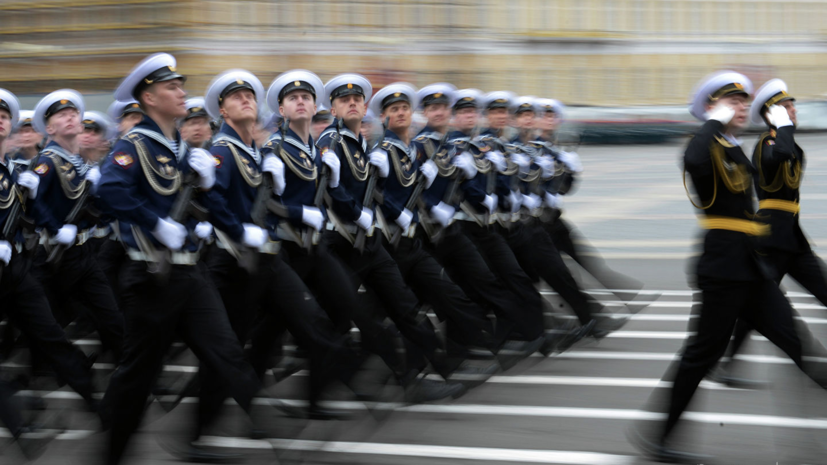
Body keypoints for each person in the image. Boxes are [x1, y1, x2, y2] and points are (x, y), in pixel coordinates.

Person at [628, 70, 827, 463]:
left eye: (743, 102)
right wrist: (714, 120)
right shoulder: (705, 143)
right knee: (701, 355)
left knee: (796, 342)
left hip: (752, 267)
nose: (741, 107)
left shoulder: (734, 146)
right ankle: (659, 437)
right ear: (710, 107)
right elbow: (695, 161)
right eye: (732, 102)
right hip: (723, 268)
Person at [97, 53, 266, 464]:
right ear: (150, 98)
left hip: (192, 274)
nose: (181, 92)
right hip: (152, 277)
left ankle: (274, 437)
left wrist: (207, 192)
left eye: (180, 85)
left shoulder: (179, 149)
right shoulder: (133, 144)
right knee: (138, 376)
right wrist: (155, 224)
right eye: (172, 87)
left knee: (227, 352)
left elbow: (186, 201)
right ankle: (111, 452)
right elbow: (109, 191)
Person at [711, 78, 827, 387]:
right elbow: (779, 157)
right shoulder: (768, 143)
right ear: (771, 114)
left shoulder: (787, 141)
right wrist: (780, 127)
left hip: (792, 237)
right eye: (786, 107)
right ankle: (724, 362)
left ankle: (726, 362)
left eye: (792, 105)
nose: (793, 110)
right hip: (771, 239)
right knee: (758, 308)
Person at [0, 87, 100, 421]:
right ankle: (16, 418)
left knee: (50, 333)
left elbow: (28, 216)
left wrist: (27, 197)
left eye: (3, 117)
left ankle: (92, 396)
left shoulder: (14, 171)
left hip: (15, 267)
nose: (0, 122)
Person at [28, 90, 125, 363]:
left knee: (110, 314)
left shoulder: (80, 164)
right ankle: (47, 372)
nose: (70, 117)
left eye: (73, 114)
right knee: (46, 323)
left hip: (83, 253)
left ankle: (129, 368)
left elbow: (97, 214)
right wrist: (55, 228)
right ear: (50, 128)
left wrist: (98, 193)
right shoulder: (46, 162)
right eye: (61, 115)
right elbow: (30, 206)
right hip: (53, 257)